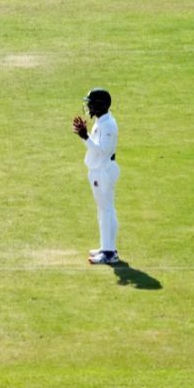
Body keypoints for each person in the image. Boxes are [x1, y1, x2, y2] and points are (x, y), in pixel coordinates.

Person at [72, 88, 121, 265]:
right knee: (105, 210)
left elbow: (103, 150)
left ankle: (109, 253)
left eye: (91, 102)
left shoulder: (108, 125)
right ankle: (107, 247)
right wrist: (84, 136)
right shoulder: (102, 121)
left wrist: (85, 137)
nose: (88, 106)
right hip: (100, 171)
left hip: (103, 172)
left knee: (106, 210)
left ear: (100, 105)